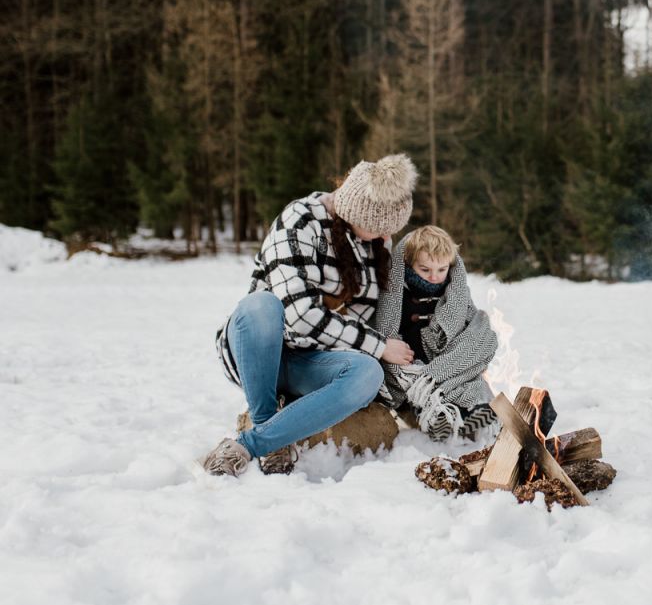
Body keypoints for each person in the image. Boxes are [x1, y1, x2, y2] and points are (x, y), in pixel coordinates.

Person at [201, 154, 419, 476]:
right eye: (379, 228)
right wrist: (378, 345)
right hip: (260, 351)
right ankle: (263, 428)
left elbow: (367, 319)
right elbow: (299, 315)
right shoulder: (300, 220)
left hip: (310, 361)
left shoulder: (375, 245)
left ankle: (257, 442)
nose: (385, 237)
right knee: (262, 305)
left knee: (367, 374)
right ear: (355, 211)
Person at [373, 225, 499, 442]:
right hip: (414, 368)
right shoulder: (397, 292)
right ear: (410, 264)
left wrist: (462, 357)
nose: (434, 277)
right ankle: (439, 420)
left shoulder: (454, 291)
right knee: (427, 404)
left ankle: (477, 417)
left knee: (473, 388)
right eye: (425, 269)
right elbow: (386, 329)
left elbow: (472, 325)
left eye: (441, 270)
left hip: (448, 365)